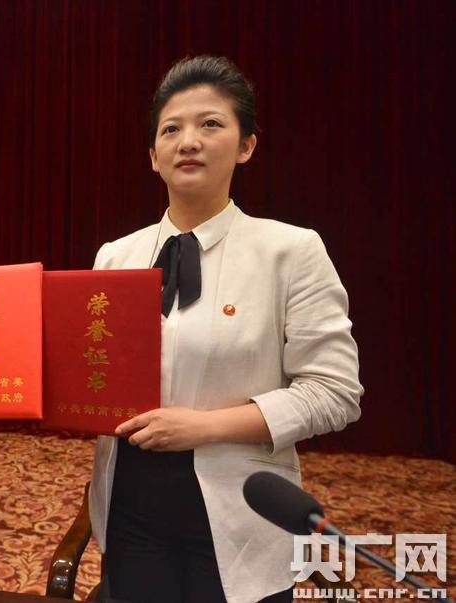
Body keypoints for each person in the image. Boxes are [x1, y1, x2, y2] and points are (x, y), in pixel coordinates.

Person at [88, 56, 363, 603]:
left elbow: (335, 393)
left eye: (210, 124)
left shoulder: (290, 251)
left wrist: (204, 427)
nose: (188, 141)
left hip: (242, 505)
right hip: (129, 503)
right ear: (153, 157)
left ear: (246, 146)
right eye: (171, 129)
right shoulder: (115, 257)